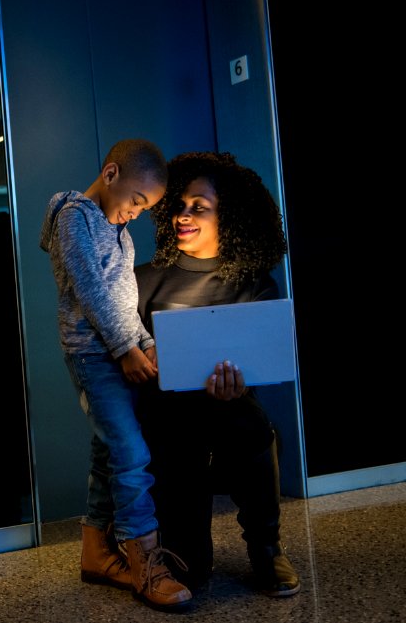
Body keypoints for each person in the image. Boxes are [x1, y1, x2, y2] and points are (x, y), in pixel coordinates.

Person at [134, 150, 300, 598]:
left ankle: (266, 548)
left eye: (199, 208)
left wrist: (239, 382)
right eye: (180, 206)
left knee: (251, 426)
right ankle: (184, 551)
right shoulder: (144, 280)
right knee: (191, 571)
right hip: (165, 416)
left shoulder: (255, 283)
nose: (183, 216)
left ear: (231, 217)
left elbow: (262, 358)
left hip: (229, 411)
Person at [39, 139, 193, 612]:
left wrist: (145, 343)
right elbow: (91, 291)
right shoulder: (75, 216)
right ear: (111, 175)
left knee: (108, 451)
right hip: (92, 355)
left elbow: (123, 301)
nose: (137, 214)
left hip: (115, 350)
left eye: (145, 209)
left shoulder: (117, 231)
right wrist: (127, 348)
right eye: (137, 201)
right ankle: (144, 562)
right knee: (130, 454)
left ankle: (95, 554)